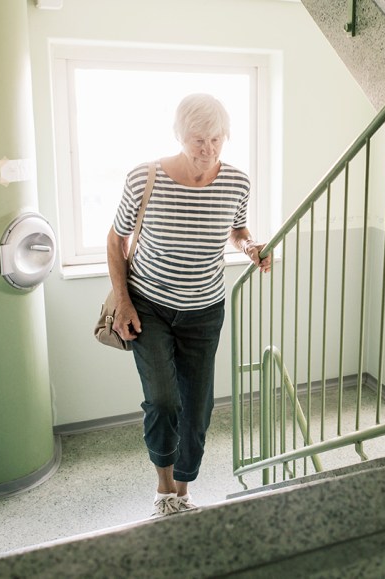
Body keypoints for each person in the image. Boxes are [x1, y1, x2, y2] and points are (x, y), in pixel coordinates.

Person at [106, 93, 271, 518]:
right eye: (197, 139)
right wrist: (123, 302)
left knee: (198, 408)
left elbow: (236, 229)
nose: (207, 149)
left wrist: (250, 245)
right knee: (163, 400)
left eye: (216, 139)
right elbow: (116, 239)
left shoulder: (236, 181)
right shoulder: (145, 179)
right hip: (151, 306)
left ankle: (183, 490)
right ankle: (164, 492)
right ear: (179, 136)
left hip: (204, 310)